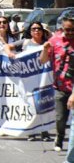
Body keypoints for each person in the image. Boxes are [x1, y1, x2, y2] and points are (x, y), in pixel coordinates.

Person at [4, 21, 52, 142]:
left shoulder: (47, 43)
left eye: (39, 29)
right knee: (31, 105)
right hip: (28, 80)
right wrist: (10, 53)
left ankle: (44, 131)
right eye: (34, 29)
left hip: (43, 78)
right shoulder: (25, 42)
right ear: (30, 31)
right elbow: (7, 46)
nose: (36, 31)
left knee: (43, 105)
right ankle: (32, 132)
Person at [40, 16, 74, 152]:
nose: (71, 32)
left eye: (73, 30)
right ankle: (59, 138)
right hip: (60, 87)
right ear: (62, 28)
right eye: (68, 30)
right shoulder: (54, 41)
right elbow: (42, 61)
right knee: (60, 118)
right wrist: (44, 49)